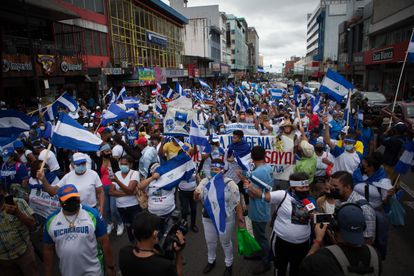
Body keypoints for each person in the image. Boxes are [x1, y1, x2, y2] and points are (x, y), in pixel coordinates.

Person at [243, 172, 314, 276]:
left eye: (306, 187)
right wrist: (250, 187)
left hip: (302, 244)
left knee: (296, 269)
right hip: (281, 242)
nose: (305, 190)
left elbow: (315, 215)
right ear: (293, 187)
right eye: (301, 188)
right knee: (280, 268)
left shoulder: (310, 200)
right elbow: (261, 195)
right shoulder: (282, 195)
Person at [43, 184, 115, 276]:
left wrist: (110, 267)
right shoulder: (51, 221)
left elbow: (105, 242)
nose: (72, 202)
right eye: (68, 200)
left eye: (74, 198)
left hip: (93, 271)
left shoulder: (92, 215)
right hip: (68, 272)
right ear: (60, 202)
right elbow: (48, 250)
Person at [194, 159, 245, 276]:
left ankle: (229, 264)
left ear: (223, 170)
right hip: (208, 218)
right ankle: (211, 261)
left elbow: (237, 202)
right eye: (212, 169)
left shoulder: (230, 184)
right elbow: (196, 198)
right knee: (210, 241)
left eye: (217, 169)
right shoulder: (205, 181)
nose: (214, 171)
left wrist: (241, 219)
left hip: (225, 219)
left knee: (225, 242)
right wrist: (196, 195)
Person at [299, 204, 381, 276]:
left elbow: (304, 267)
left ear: (335, 227)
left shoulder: (322, 257)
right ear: (363, 227)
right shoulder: (374, 254)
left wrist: (318, 240)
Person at [118, 211, 185, 276]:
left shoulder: (123, 253)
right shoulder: (165, 266)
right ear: (155, 234)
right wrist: (179, 252)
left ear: (133, 232)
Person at [38, 152, 105, 215]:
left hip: (91, 210)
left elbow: (100, 192)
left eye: (83, 163)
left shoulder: (93, 174)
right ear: (72, 164)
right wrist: (43, 180)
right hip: (74, 212)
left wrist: (101, 210)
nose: (81, 165)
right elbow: (52, 192)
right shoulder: (67, 177)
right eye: (78, 164)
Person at [242, 146, 272, 274]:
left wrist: (245, 184)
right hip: (264, 206)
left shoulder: (256, 173)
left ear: (252, 158)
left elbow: (252, 193)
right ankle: (260, 253)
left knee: (261, 237)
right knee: (259, 235)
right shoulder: (268, 168)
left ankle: (266, 261)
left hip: (259, 209)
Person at [0, 183, 38, 276]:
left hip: (24, 252)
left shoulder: (19, 203)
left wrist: (18, 213)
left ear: (3, 192)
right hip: (4, 260)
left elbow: (33, 225)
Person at [329, 171, 376, 244]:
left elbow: (368, 240)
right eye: (331, 185)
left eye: (335, 186)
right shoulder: (339, 200)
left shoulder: (364, 209)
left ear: (347, 187)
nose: (331, 189)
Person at [109, 155, 142, 242]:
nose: (123, 166)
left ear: (131, 165)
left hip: (133, 206)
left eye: (125, 164)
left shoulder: (134, 173)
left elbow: (130, 189)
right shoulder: (116, 174)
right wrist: (128, 193)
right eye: (121, 164)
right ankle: (132, 242)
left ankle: (140, 243)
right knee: (128, 226)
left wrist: (117, 182)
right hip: (121, 207)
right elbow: (111, 192)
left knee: (137, 226)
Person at [95, 143, 123, 236]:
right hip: (102, 188)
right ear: (102, 152)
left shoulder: (113, 161)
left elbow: (118, 173)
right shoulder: (99, 161)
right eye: (106, 151)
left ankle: (120, 223)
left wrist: (115, 184)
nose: (109, 152)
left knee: (113, 208)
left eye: (109, 151)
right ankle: (110, 224)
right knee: (106, 209)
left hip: (112, 187)